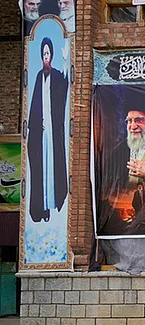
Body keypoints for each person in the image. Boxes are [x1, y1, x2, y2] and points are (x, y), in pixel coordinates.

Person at [27, 37, 69, 223]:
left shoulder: (57, 75)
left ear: (52, 55)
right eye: (43, 53)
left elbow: (66, 84)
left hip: (52, 132)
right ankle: (41, 209)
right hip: (41, 132)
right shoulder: (38, 76)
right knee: (40, 169)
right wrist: (36, 125)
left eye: (48, 53)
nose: (46, 56)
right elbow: (35, 105)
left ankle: (51, 204)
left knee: (52, 166)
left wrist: (66, 60)